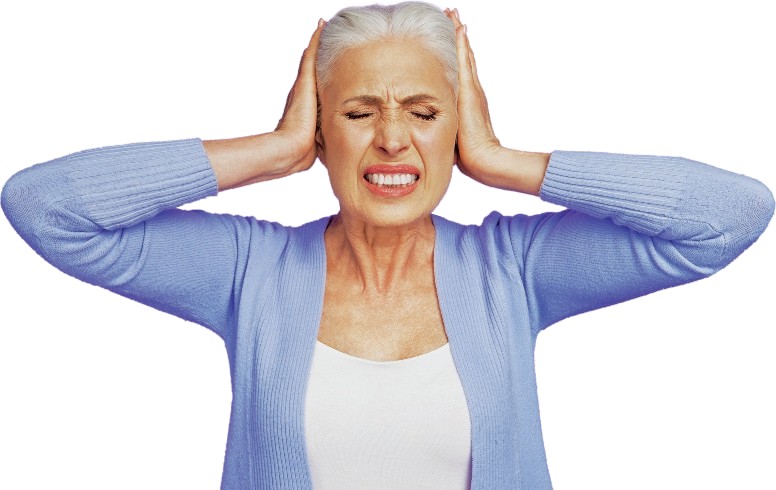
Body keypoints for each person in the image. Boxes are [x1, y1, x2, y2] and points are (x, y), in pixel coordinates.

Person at [1, 2, 773, 489]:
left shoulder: (514, 270)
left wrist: (502, 161)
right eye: (359, 111)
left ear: (457, 128)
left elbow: (729, 215)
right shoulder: (249, 271)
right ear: (321, 129)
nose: (393, 139)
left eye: (425, 113)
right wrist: (272, 150)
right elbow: (46, 207)